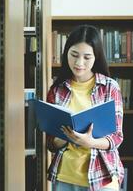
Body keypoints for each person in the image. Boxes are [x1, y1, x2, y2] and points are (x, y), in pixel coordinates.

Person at [46, 25, 124, 191]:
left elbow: (116, 137)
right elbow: (51, 143)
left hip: (102, 177)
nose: (79, 63)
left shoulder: (110, 87)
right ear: (66, 52)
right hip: (65, 176)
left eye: (87, 57)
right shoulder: (56, 90)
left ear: (96, 57)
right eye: (74, 55)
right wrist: (66, 137)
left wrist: (90, 142)